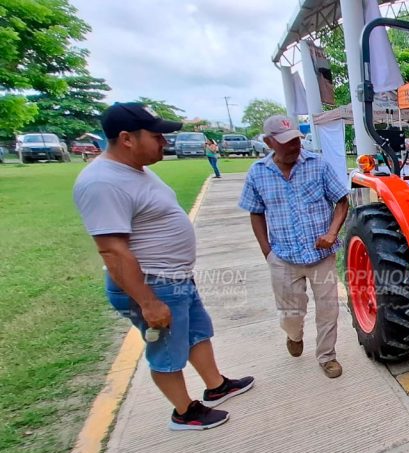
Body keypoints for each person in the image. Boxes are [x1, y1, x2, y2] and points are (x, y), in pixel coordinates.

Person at [73, 102, 254, 431]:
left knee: (197, 334)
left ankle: (216, 386)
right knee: (167, 351)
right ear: (127, 138)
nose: (164, 142)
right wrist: (148, 302)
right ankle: (184, 412)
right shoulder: (102, 183)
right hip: (152, 285)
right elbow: (112, 250)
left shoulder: (135, 170)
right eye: (157, 136)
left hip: (175, 278)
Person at [239, 115, 350, 378]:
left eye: (296, 141)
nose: (294, 146)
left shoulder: (318, 165)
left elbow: (342, 201)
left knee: (328, 310)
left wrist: (332, 233)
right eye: (286, 142)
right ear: (268, 142)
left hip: (320, 255)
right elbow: (255, 212)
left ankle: (327, 356)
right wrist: (267, 252)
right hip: (284, 257)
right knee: (291, 313)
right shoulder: (258, 173)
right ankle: (294, 334)